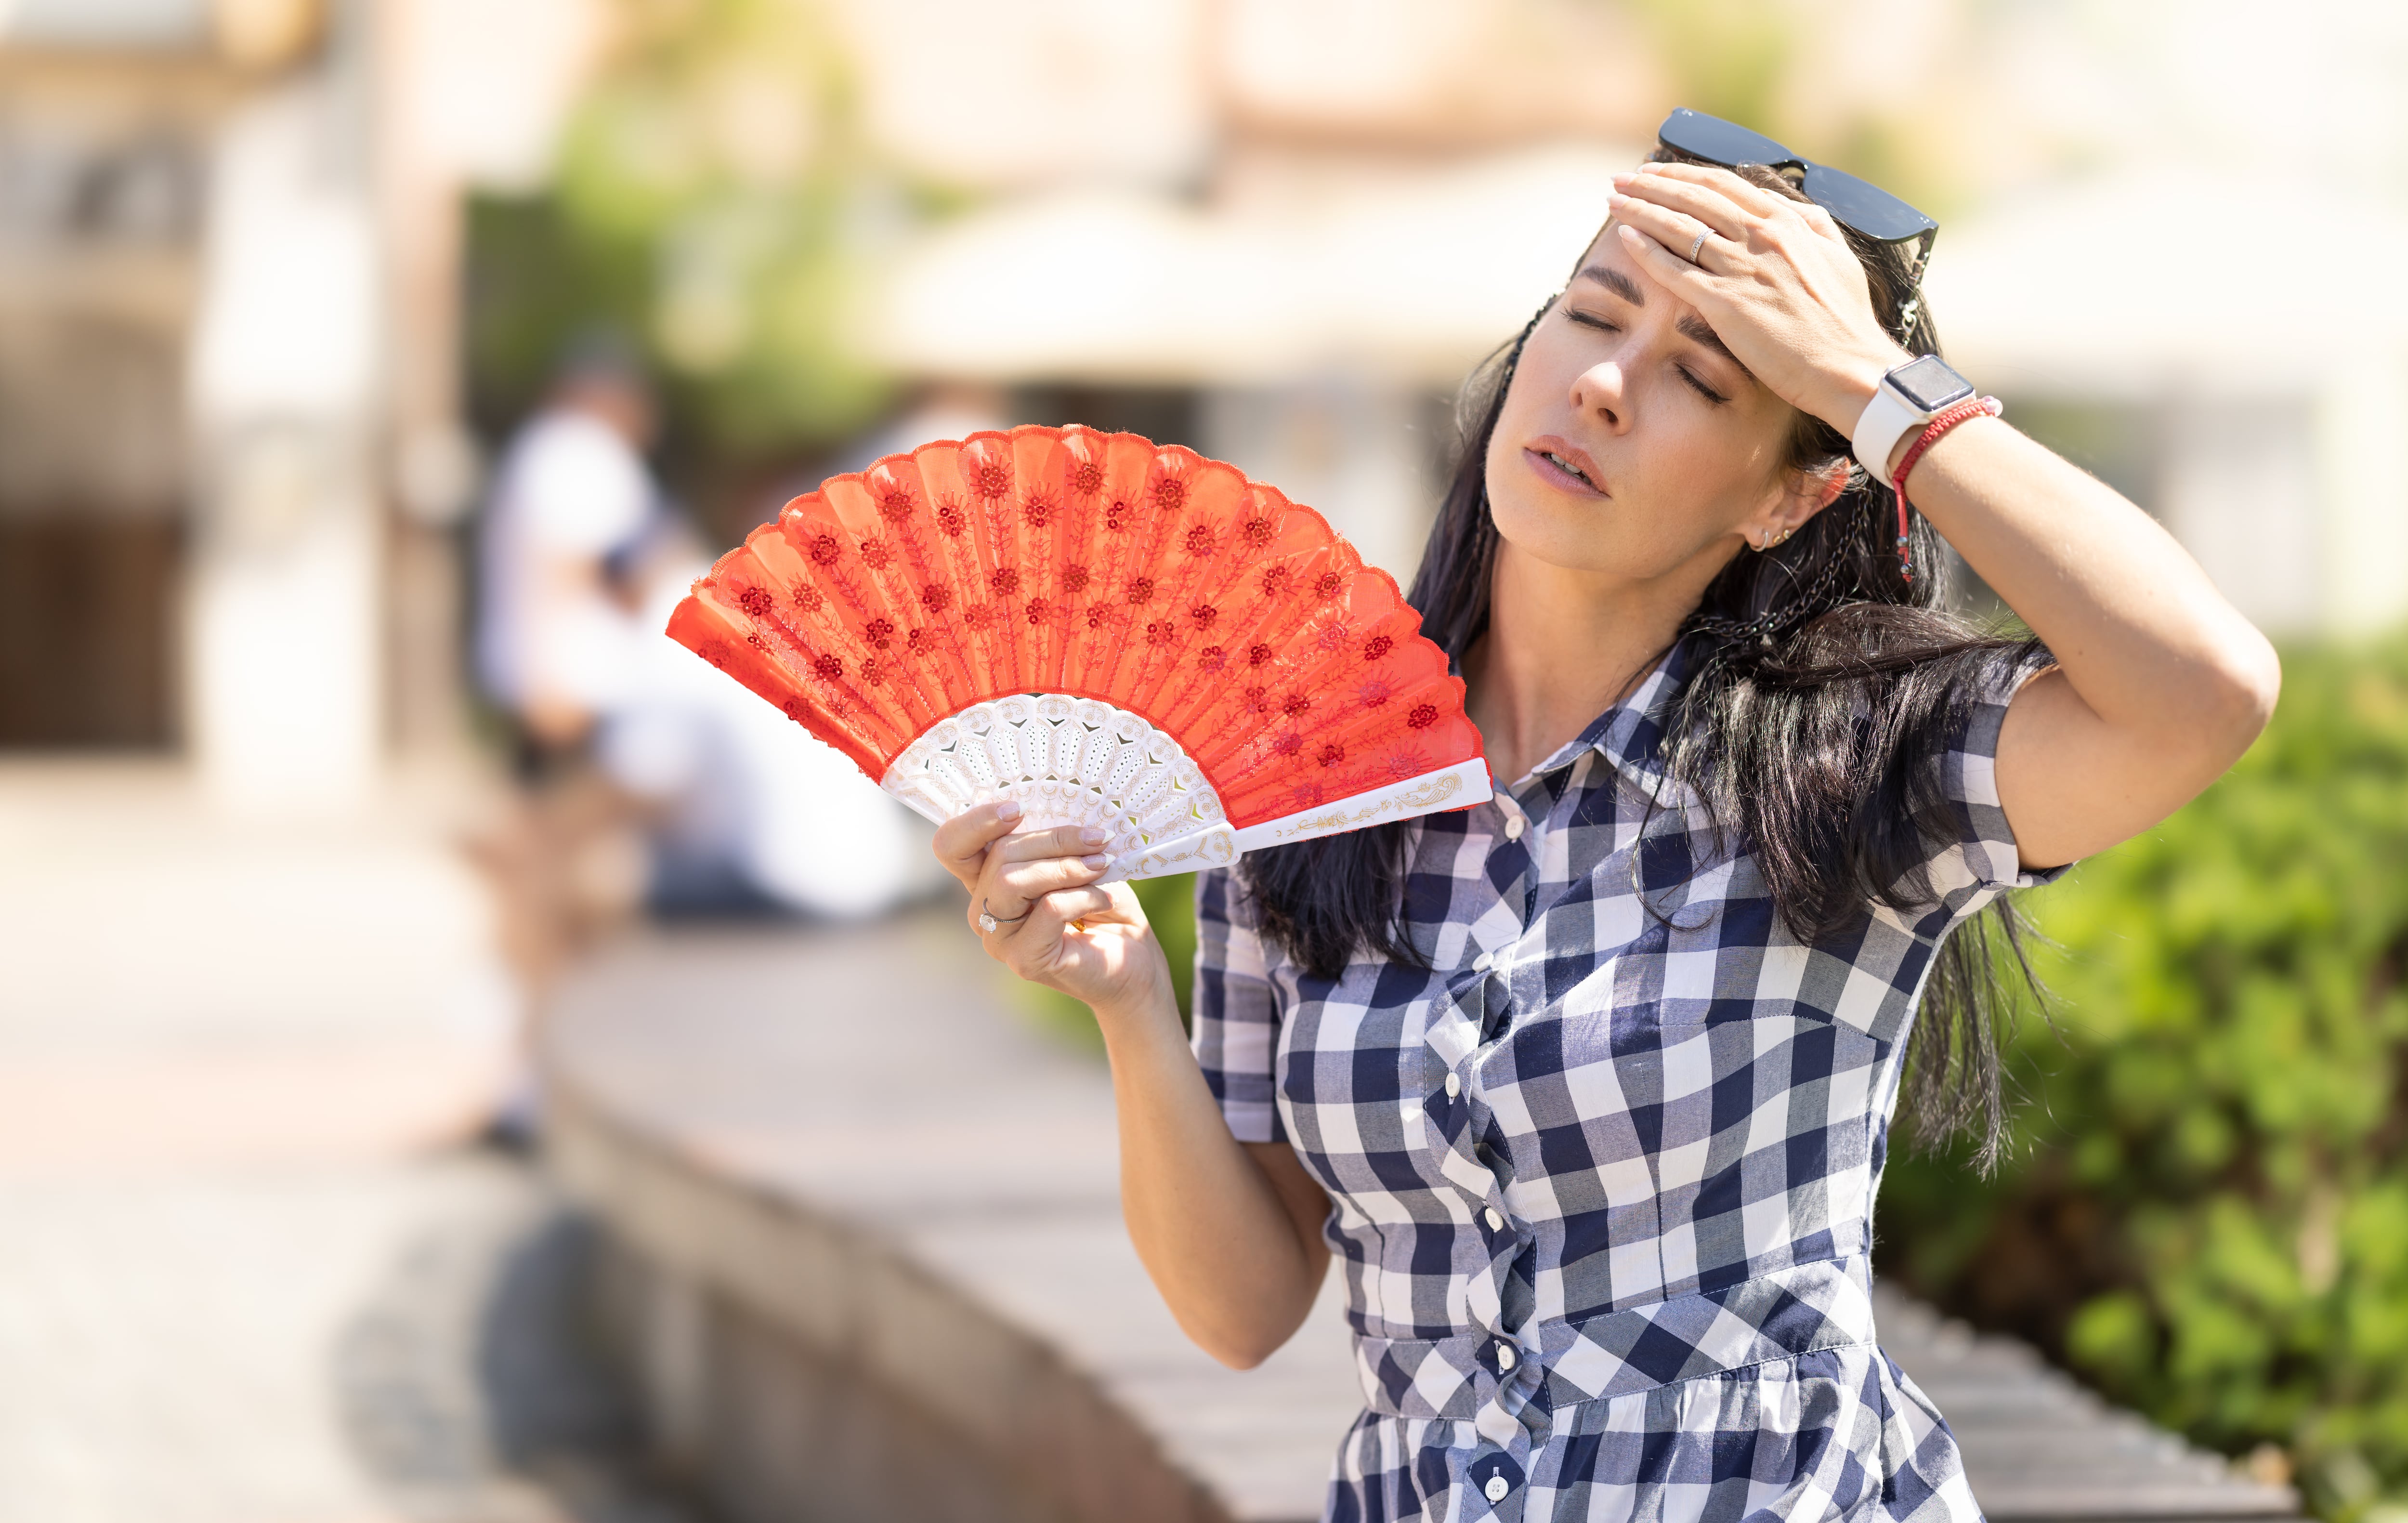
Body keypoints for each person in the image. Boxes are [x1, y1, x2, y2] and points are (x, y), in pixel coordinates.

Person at [930, 115, 2280, 1521]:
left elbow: (2203, 692)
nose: (1606, 387)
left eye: (1703, 376)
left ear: (1789, 493)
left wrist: (1873, 387)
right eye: (1589, 315)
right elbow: (1242, 1306)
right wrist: (1127, 1003)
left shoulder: (1846, 764)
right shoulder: (1307, 780)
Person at [474, 332, 661, 776]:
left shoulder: (550, 448)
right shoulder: (576, 451)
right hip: (578, 680)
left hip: (565, 676)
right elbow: (558, 567)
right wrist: (547, 680)